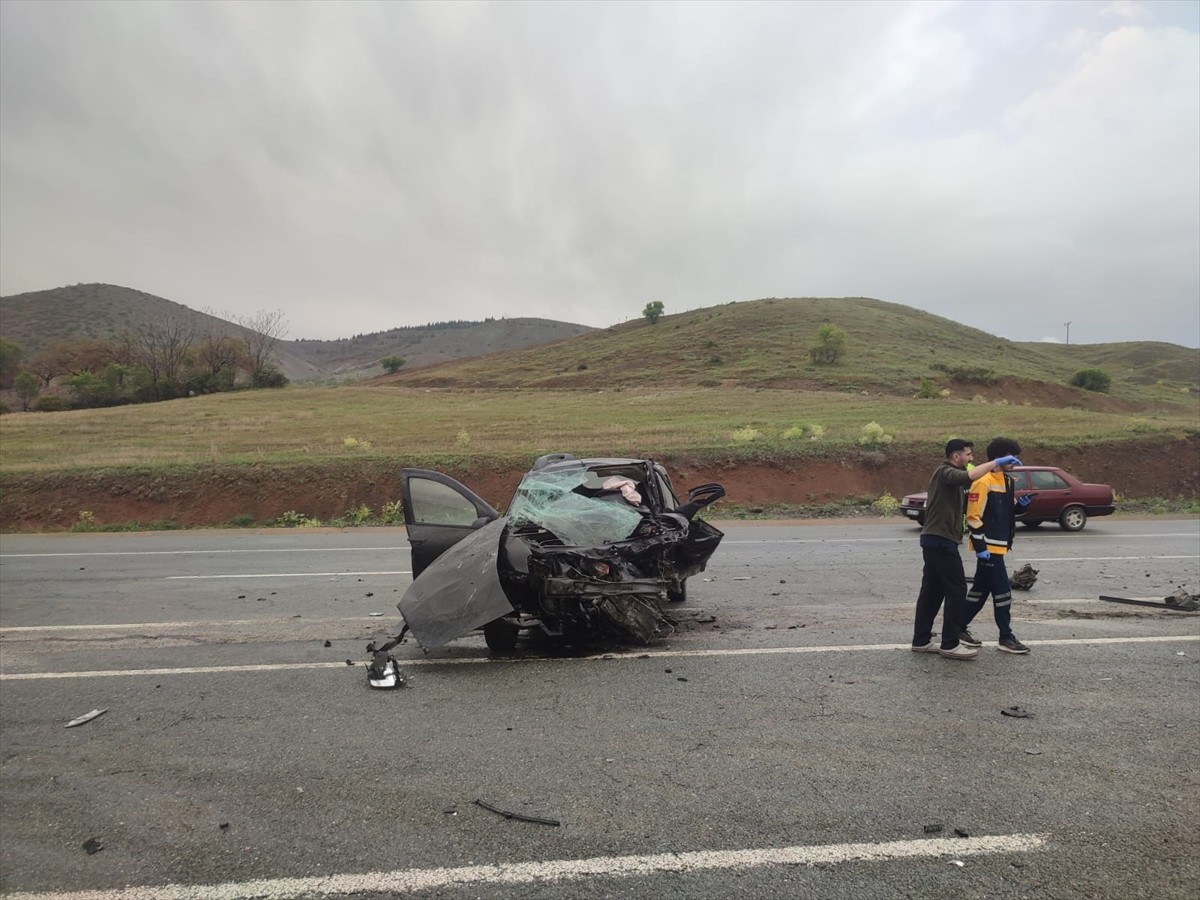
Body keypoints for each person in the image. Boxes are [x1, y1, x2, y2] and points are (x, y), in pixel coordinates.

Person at [911, 439, 1022, 659]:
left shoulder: (955, 479)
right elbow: (968, 477)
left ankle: (921, 640)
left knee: (932, 592)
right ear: (956, 456)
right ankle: (950, 643)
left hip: (938, 540)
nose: (971, 459)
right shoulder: (945, 472)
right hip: (940, 540)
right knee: (957, 589)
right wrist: (995, 462)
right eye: (968, 455)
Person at [957, 437, 1034, 654]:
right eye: (1012, 456)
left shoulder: (1007, 481)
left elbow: (1006, 512)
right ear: (999, 458)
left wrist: (1020, 507)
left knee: (980, 590)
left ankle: (957, 628)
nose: (1015, 461)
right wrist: (980, 547)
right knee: (1003, 592)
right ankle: (1005, 637)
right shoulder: (982, 481)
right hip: (989, 548)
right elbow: (973, 516)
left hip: (1000, 545)